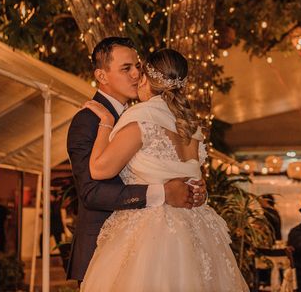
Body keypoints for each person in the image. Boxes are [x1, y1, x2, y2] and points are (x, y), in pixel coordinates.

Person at [80, 48, 247, 291]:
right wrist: (201, 192)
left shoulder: (142, 116)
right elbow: (191, 178)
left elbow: (98, 170)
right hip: (197, 229)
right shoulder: (191, 125)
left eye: (139, 71)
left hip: (150, 233)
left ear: (147, 79)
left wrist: (105, 124)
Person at [66, 38, 206, 283]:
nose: (135, 74)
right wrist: (163, 192)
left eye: (138, 66)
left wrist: (193, 190)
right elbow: (91, 192)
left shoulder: (152, 116)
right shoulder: (87, 120)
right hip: (104, 251)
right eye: (125, 68)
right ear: (101, 75)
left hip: (161, 245)